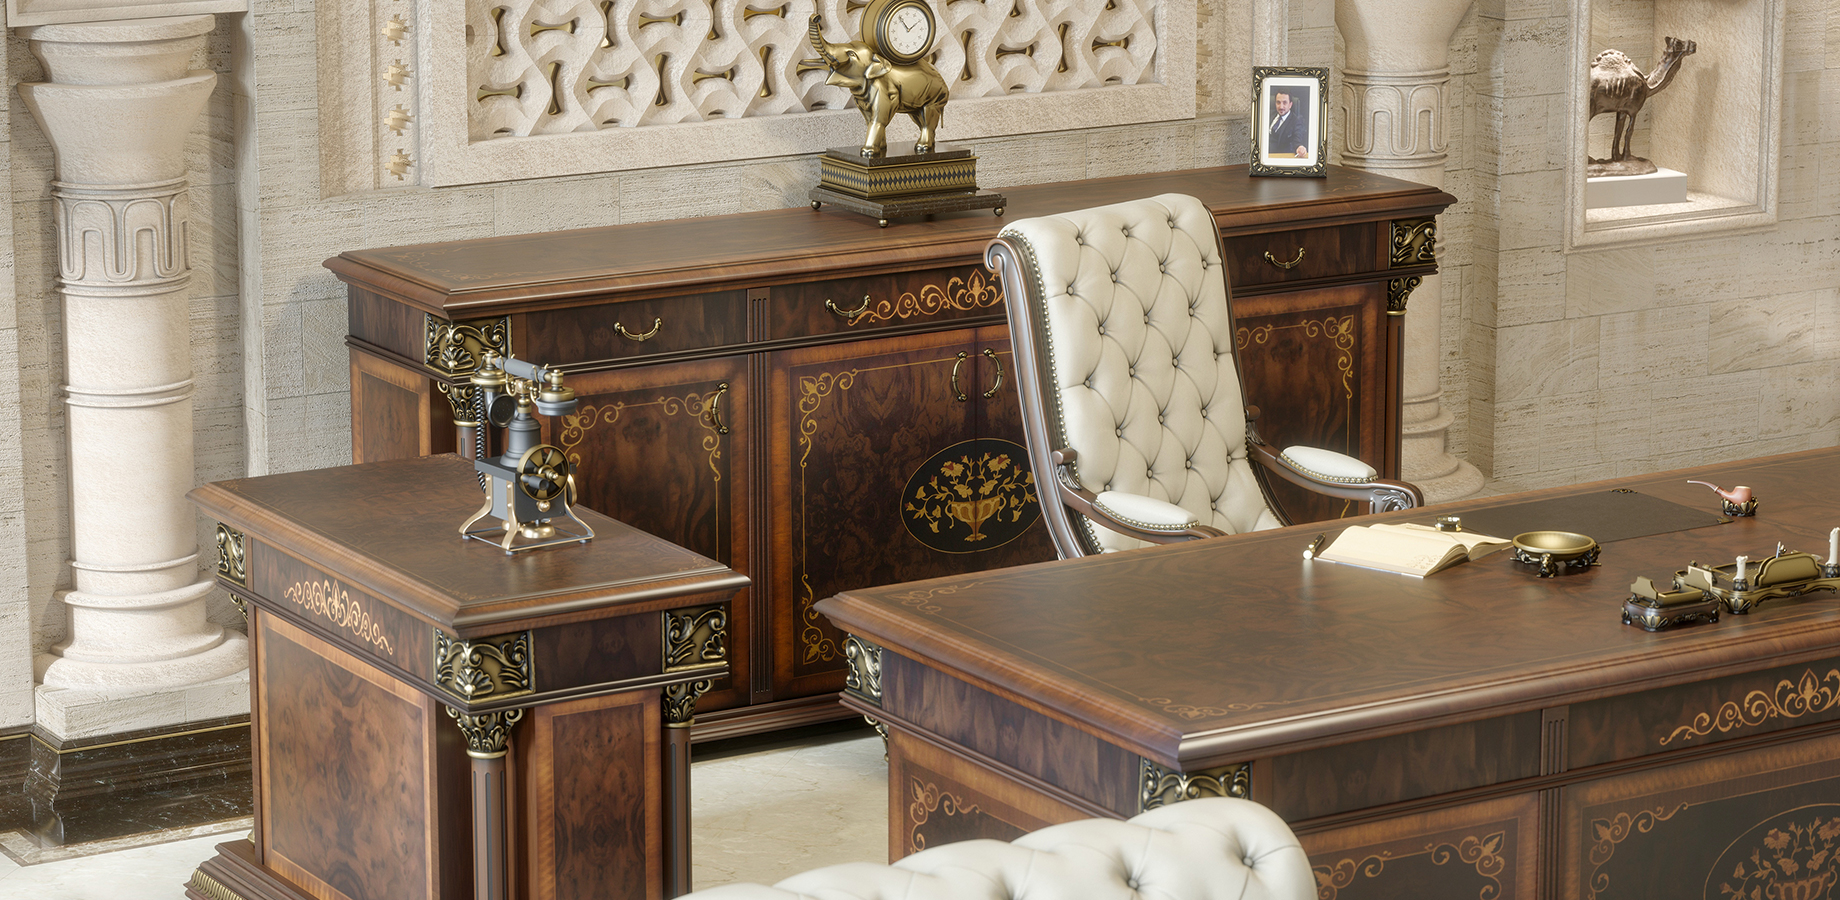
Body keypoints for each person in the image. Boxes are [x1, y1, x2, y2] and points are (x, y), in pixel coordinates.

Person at [1267, 89, 1310, 159]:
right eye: (1278, 102)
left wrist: (1299, 147)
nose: (1281, 107)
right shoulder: (1269, 115)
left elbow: (1297, 139)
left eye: (1285, 103)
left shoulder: (1296, 121)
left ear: (1290, 104)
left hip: (1280, 158)